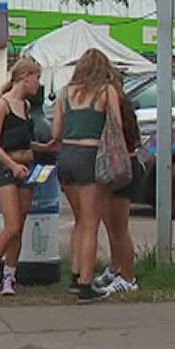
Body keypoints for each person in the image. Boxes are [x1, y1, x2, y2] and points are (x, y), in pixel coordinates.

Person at [50, 48, 121, 302]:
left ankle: (75, 272)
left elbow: (55, 132)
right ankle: (86, 283)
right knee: (91, 223)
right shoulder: (106, 91)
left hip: (66, 155)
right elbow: (116, 126)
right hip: (90, 156)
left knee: (79, 220)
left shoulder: (65, 93)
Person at [0, 57, 48, 297]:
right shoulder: (2, 105)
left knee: (20, 226)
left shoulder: (26, 107)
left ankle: (10, 273)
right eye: (36, 78)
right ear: (25, 77)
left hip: (27, 167)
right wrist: (12, 165)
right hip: (7, 168)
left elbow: (24, 140)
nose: (38, 83)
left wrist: (46, 148)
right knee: (12, 224)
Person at [97, 66, 146, 297]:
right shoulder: (120, 100)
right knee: (110, 225)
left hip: (122, 167)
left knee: (119, 227)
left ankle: (128, 276)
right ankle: (116, 268)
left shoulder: (117, 103)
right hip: (119, 166)